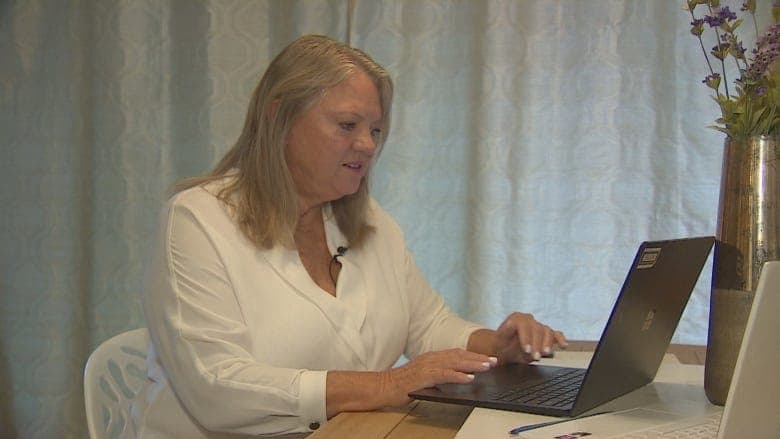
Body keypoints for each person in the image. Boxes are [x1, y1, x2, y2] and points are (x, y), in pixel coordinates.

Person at [132, 34, 567, 437]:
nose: (367, 145)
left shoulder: (369, 222)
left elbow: (429, 325)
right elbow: (217, 386)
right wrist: (389, 384)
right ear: (278, 116)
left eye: (375, 130)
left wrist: (498, 349)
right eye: (347, 126)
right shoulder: (196, 219)